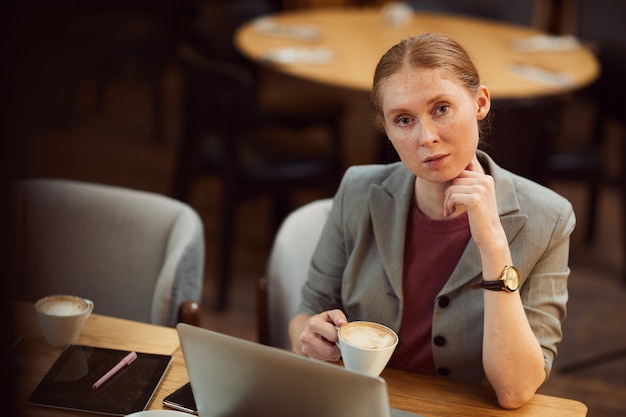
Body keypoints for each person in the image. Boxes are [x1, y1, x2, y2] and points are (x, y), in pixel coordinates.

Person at [288, 33, 575, 409]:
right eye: (403, 120)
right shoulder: (358, 190)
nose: (427, 137)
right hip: (360, 404)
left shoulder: (548, 217)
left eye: (441, 108)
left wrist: (493, 245)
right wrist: (310, 337)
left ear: (480, 103)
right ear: (387, 130)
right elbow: (304, 317)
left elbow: (515, 390)